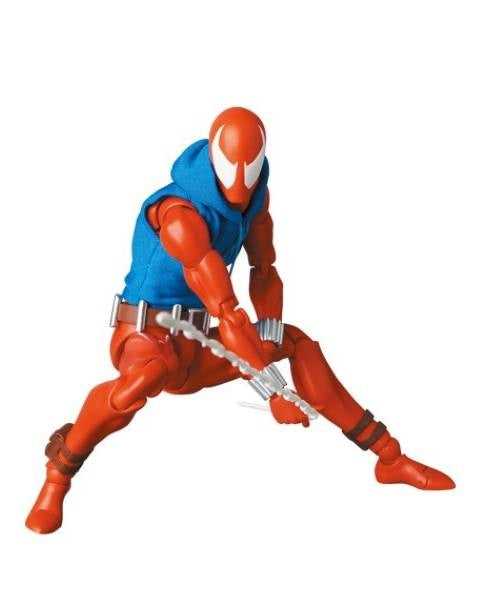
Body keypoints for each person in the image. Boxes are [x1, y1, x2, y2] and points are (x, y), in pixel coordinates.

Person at [26, 107, 454, 534]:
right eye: (234, 166)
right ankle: (57, 476)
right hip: (146, 335)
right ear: (215, 158)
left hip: (200, 342)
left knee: (295, 342)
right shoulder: (178, 215)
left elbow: (264, 271)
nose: (242, 180)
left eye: (250, 167)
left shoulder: (256, 201)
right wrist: (274, 390)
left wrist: (269, 334)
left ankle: (389, 456)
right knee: (145, 377)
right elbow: (225, 309)